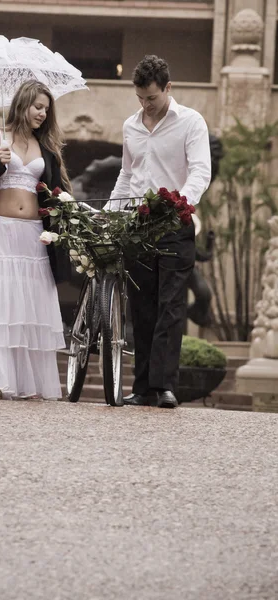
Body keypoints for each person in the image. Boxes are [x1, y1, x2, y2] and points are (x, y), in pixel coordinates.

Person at [104, 55, 211, 408]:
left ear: (167, 87)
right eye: (140, 98)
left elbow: (200, 172)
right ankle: (144, 387)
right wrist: (110, 213)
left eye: (151, 97)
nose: (145, 105)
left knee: (171, 304)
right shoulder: (131, 126)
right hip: (138, 226)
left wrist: (181, 203)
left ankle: (165, 386)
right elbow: (127, 175)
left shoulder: (191, 123)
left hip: (175, 223)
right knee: (142, 308)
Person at [0, 80, 71, 400]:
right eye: (37, 107)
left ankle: (27, 384)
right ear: (22, 104)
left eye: (46, 109)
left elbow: (57, 194)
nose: (42, 114)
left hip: (33, 236)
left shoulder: (46, 149)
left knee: (28, 308)